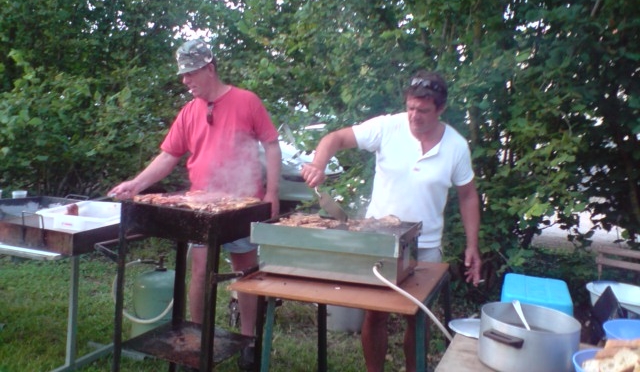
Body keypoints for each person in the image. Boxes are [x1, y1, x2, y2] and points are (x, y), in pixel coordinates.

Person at [109, 39, 281, 370]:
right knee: (200, 271)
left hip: (243, 202)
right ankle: (198, 339)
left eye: (190, 74)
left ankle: (250, 341)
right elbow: (168, 156)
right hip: (201, 207)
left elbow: (271, 145)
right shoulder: (189, 112)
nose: (185, 81)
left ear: (209, 68)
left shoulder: (246, 101)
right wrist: (137, 184)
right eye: (183, 75)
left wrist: (271, 193)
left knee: (245, 271)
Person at [301, 70, 481, 372]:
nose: (414, 116)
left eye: (423, 110)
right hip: (380, 242)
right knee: (375, 315)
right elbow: (335, 138)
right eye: (410, 107)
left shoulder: (456, 146)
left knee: (417, 318)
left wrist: (472, 245)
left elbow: (468, 196)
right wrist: (318, 164)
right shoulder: (387, 128)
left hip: (426, 246)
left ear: (440, 109)